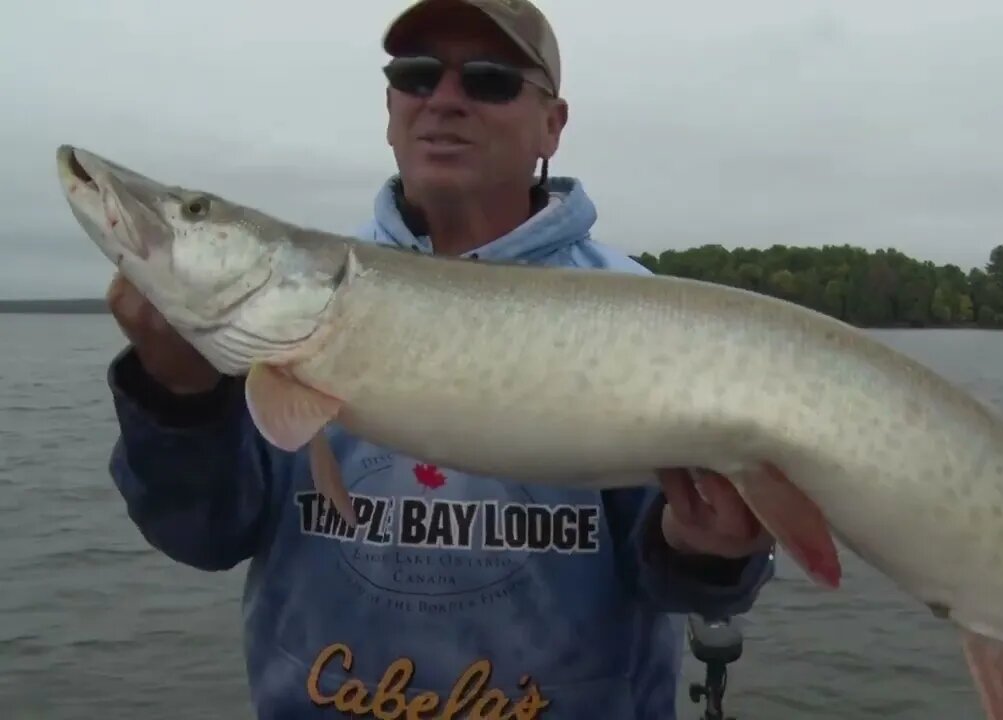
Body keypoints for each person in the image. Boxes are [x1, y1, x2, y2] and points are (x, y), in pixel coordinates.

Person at [102, 0, 776, 717]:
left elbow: (681, 581)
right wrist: (176, 395)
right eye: (417, 76)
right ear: (390, 108)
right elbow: (202, 534)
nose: (444, 100)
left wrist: (709, 549)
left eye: (489, 80)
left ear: (553, 123)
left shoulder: (638, 313)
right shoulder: (289, 299)